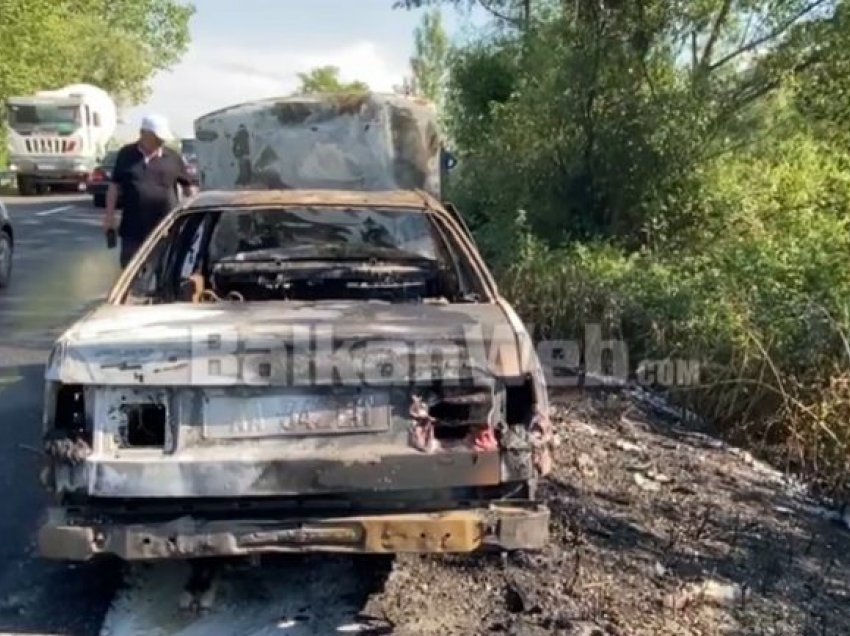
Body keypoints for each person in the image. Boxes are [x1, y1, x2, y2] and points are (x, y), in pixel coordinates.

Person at [103, 114, 196, 268]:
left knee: (163, 268)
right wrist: (109, 217)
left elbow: (188, 187)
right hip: (133, 228)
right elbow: (114, 186)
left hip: (166, 227)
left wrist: (193, 213)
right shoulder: (126, 155)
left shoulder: (172, 157)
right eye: (157, 137)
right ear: (143, 134)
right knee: (131, 269)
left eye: (162, 138)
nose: (161, 141)